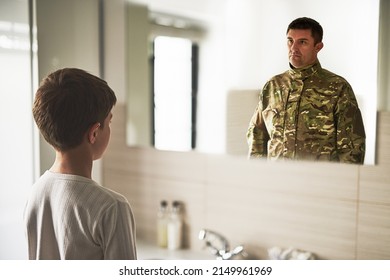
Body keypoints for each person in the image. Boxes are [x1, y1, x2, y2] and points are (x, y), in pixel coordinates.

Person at [24, 68, 137, 259]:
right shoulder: (111, 207)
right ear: (94, 133)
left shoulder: (37, 192)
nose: (110, 128)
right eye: (109, 122)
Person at [247, 17, 366, 164]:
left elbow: (352, 147)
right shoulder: (272, 86)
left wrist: (341, 184)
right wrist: (256, 175)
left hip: (319, 183)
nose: (293, 48)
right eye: (290, 41)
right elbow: (256, 134)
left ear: (318, 47)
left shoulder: (338, 87)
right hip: (276, 181)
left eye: (302, 42)